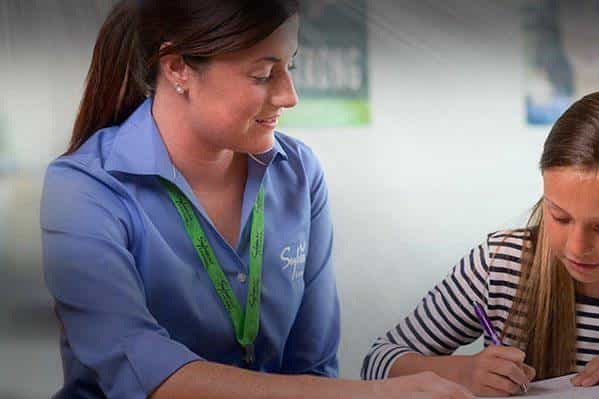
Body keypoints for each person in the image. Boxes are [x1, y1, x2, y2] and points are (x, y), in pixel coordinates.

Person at [40, 1, 472, 398]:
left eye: (291, 67)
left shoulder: (298, 173)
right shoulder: (83, 189)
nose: (289, 95)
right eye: (264, 74)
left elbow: (313, 365)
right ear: (177, 69)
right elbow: (142, 370)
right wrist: (371, 394)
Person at [362, 92, 599, 399]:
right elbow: (376, 362)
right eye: (559, 216)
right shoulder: (500, 266)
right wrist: (463, 371)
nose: (577, 247)